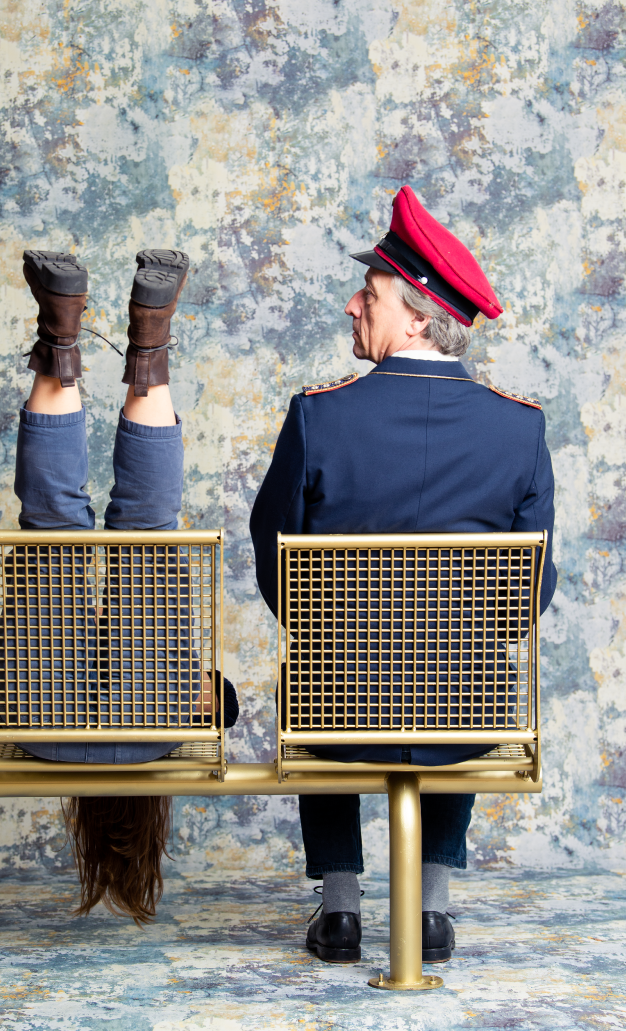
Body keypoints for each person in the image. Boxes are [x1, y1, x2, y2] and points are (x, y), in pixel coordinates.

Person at [250, 185, 556, 964]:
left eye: (372, 293)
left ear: (418, 315)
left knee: (315, 666)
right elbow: (531, 594)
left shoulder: (319, 416)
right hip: (465, 715)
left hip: (339, 711)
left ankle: (342, 906)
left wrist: (327, 627)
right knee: (467, 665)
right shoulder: (519, 430)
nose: (354, 304)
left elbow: (269, 548)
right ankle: (431, 910)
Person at [12, 248, 238, 923]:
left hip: (154, 704)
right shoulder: (39, 742)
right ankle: (59, 334)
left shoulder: (167, 734)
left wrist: (195, 691)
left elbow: (220, 700)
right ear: (85, 818)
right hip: (43, 709)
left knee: (148, 526)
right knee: (51, 525)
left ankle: (151, 343)